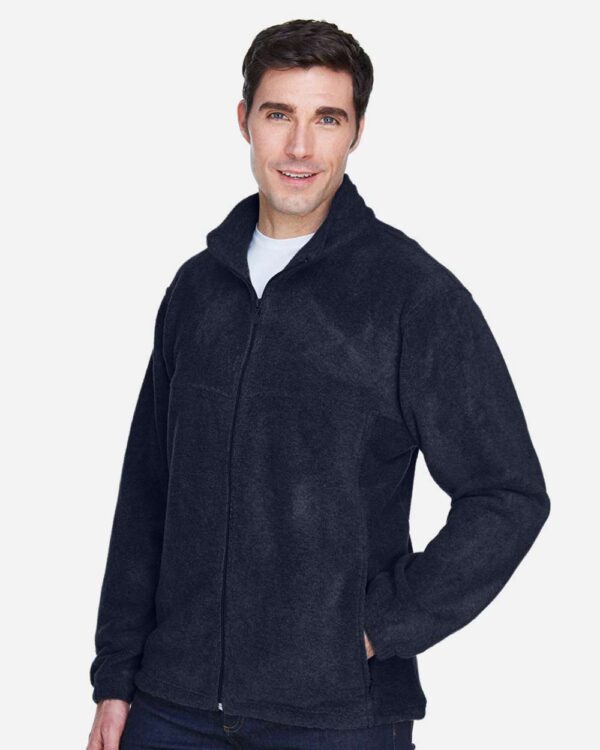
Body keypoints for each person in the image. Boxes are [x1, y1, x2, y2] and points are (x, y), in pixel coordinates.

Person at [87, 18, 551, 750]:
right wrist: (116, 679)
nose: (300, 147)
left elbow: (507, 495)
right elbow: (147, 492)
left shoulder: (412, 296)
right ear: (244, 120)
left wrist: (373, 628)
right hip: (172, 706)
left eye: (327, 119)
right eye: (279, 115)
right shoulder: (197, 292)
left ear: (356, 130)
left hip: (337, 716)